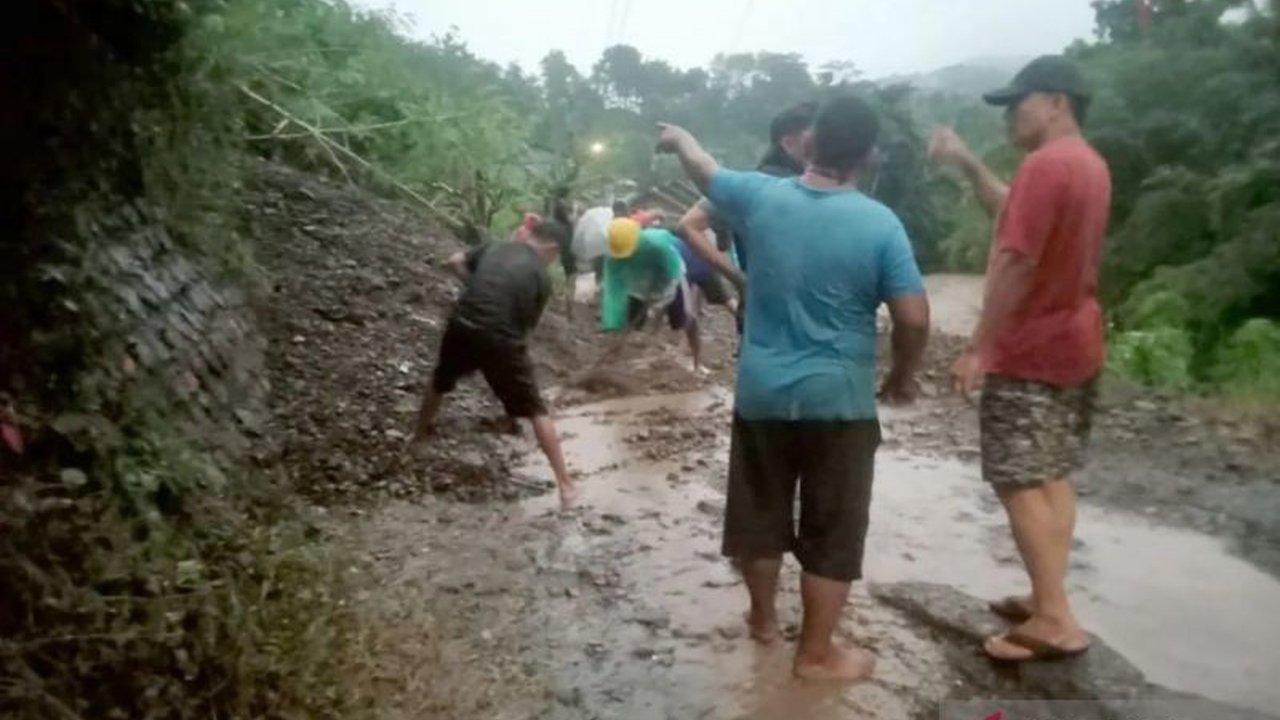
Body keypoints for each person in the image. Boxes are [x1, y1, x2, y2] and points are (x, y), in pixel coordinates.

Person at [656, 95, 930, 682]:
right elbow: (913, 319)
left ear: (809, 144)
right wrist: (901, 377)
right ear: (868, 155)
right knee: (833, 531)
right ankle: (815, 656)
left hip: (761, 396)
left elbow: (705, 171)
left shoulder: (760, 196)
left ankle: (761, 621)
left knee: (759, 517)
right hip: (841, 403)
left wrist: (680, 138)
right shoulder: (881, 223)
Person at [929, 55, 1111, 662]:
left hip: (1030, 348)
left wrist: (980, 346)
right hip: (1076, 342)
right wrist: (964, 162)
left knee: (1017, 477)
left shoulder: (1043, 166)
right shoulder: (1086, 164)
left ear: (1056, 101)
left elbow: (1016, 259)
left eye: (1019, 101)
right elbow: (1009, 210)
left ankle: (1056, 619)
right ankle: (1047, 597)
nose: (1010, 114)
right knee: (1051, 472)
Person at [409, 220, 578, 509]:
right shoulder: (540, 276)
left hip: (462, 321)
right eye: (555, 257)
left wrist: (474, 286)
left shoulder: (498, 246)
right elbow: (525, 330)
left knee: (440, 379)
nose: (552, 262)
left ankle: (418, 437)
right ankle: (566, 484)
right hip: (500, 334)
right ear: (552, 248)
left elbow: (454, 261)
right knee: (536, 408)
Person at [677, 101, 819, 335]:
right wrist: (738, 278)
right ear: (789, 142)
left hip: (760, 310)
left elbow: (687, 225)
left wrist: (739, 280)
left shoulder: (749, 187)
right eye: (816, 139)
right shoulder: (760, 187)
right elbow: (687, 225)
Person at [598, 218, 705, 373]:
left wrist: (658, 293)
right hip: (640, 282)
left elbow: (673, 272)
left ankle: (697, 363)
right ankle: (612, 364)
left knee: (687, 319)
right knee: (626, 322)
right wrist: (612, 322)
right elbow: (613, 292)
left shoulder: (657, 245)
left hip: (672, 275)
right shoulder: (614, 254)